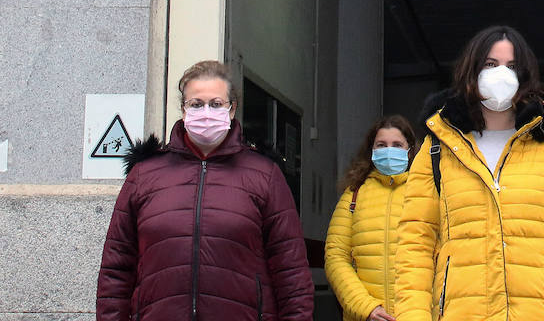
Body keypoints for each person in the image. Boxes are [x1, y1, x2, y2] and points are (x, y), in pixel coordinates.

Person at [392, 25, 544, 321]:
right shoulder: (437, 147)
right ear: (471, 70)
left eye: (511, 66)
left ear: (525, 75)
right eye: (491, 64)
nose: (501, 74)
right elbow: (414, 247)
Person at [96, 59, 312, 321]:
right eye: (196, 104)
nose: (206, 112)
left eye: (216, 104)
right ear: (184, 110)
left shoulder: (264, 175)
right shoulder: (145, 175)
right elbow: (116, 269)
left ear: (232, 110)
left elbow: (291, 272)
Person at [326, 115, 419, 321]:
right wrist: (365, 308)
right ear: (372, 151)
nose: (389, 151)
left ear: (410, 151)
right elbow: (335, 256)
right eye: (381, 145)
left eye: (397, 145)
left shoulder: (426, 193)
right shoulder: (354, 195)